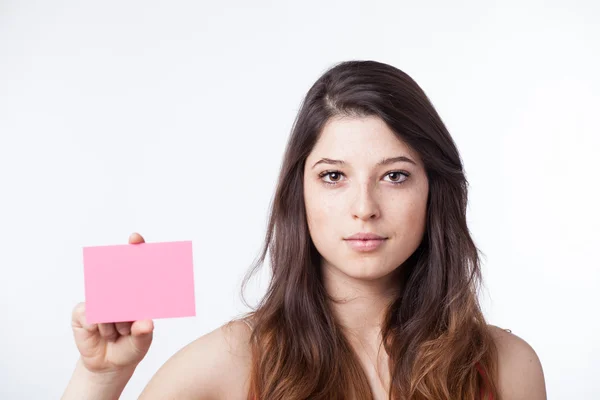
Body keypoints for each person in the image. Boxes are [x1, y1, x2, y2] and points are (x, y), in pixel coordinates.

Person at [62, 60, 546, 400]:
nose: (364, 208)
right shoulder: (229, 363)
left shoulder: (509, 367)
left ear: (433, 190)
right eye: (333, 176)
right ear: (301, 193)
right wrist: (101, 375)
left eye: (394, 175)